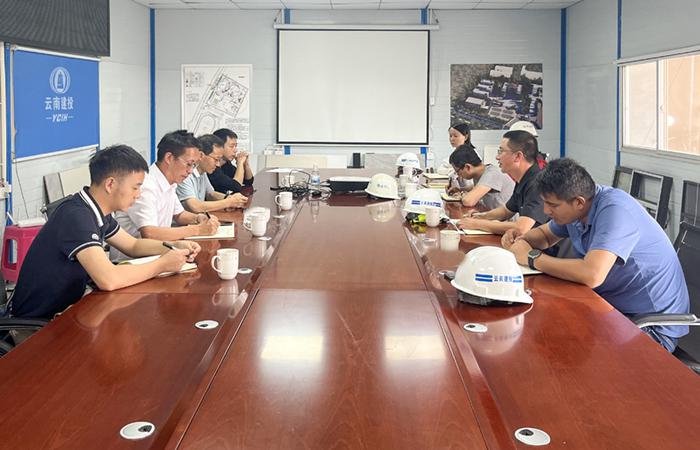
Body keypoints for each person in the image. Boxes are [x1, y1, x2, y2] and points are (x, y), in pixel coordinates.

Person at [503, 158, 689, 352]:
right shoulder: (578, 211)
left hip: (648, 326)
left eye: (553, 205)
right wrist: (521, 239)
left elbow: (592, 275)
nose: (546, 210)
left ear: (579, 202)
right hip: (609, 307)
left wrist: (532, 257)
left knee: (563, 347)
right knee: (546, 330)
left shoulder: (615, 211)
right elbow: (545, 236)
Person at [8, 145, 201, 324]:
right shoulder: (76, 216)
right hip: (39, 325)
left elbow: (133, 245)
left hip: (68, 311)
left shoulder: (97, 211)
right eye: (135, 187)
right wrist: (162, 264)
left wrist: (173, 246)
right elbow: (109, 279)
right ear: (110, 184)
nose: (138, 194)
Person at [115, 130, 220, 241]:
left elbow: (179, 214)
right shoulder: (146, 186)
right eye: (189, 164)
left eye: (193, 165)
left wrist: (199, 218)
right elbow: (150, 233)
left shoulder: (170, 181)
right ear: (169, 158)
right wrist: (197, 230)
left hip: (159, 247)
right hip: (136, 252)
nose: (190, 171)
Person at [457, 130, 548, 236]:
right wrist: (481, 216)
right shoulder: (523, 179)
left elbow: (521, 228)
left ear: (518, 156)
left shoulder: (537, 183)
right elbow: (506, 211)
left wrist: (476, 224)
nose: (497, 157)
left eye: (501, 151)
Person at [176, 134, 248, 213]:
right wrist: (228, 202)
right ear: (201, 155)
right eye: (216, 159)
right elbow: (195, 206)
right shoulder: (185, 174)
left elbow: (210, 194)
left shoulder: (203, 172)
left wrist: (230, 198)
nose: (218, 164)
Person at [448, 143, 514, 210]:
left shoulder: (492, 174)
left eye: (457, 171)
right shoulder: (481, 173)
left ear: (468, 167)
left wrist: (461, 195)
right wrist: (461, 189)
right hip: (494, 213)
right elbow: (478, 186)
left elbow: (468, 201)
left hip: (507, 216)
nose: (458, 175)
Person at [209, 128, 254, 193]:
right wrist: (240, 163)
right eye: (231, 146)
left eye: (235, 146)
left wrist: (246, 165)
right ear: (219, 146)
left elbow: (248, 181)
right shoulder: (212, 168)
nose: (235, 150)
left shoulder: (226, 164)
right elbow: (236, 186)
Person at [446, 123, 476, 195]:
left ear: (466, 137)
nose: (452, 139)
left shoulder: (470, 155)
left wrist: (461, 191)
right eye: (450, 136)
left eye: (455, 136)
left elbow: (474, 184)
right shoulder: (456, 153)